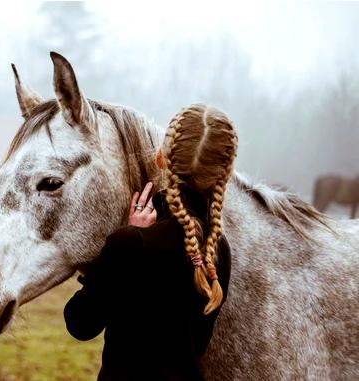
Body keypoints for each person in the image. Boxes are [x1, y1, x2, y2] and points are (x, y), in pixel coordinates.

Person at [64, 104, 238, 381]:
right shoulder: (219, 250)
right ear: (224, 173)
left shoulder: (131, 244)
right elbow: (199, 343)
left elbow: (80, 323)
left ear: (161, 158)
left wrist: (124, 242)